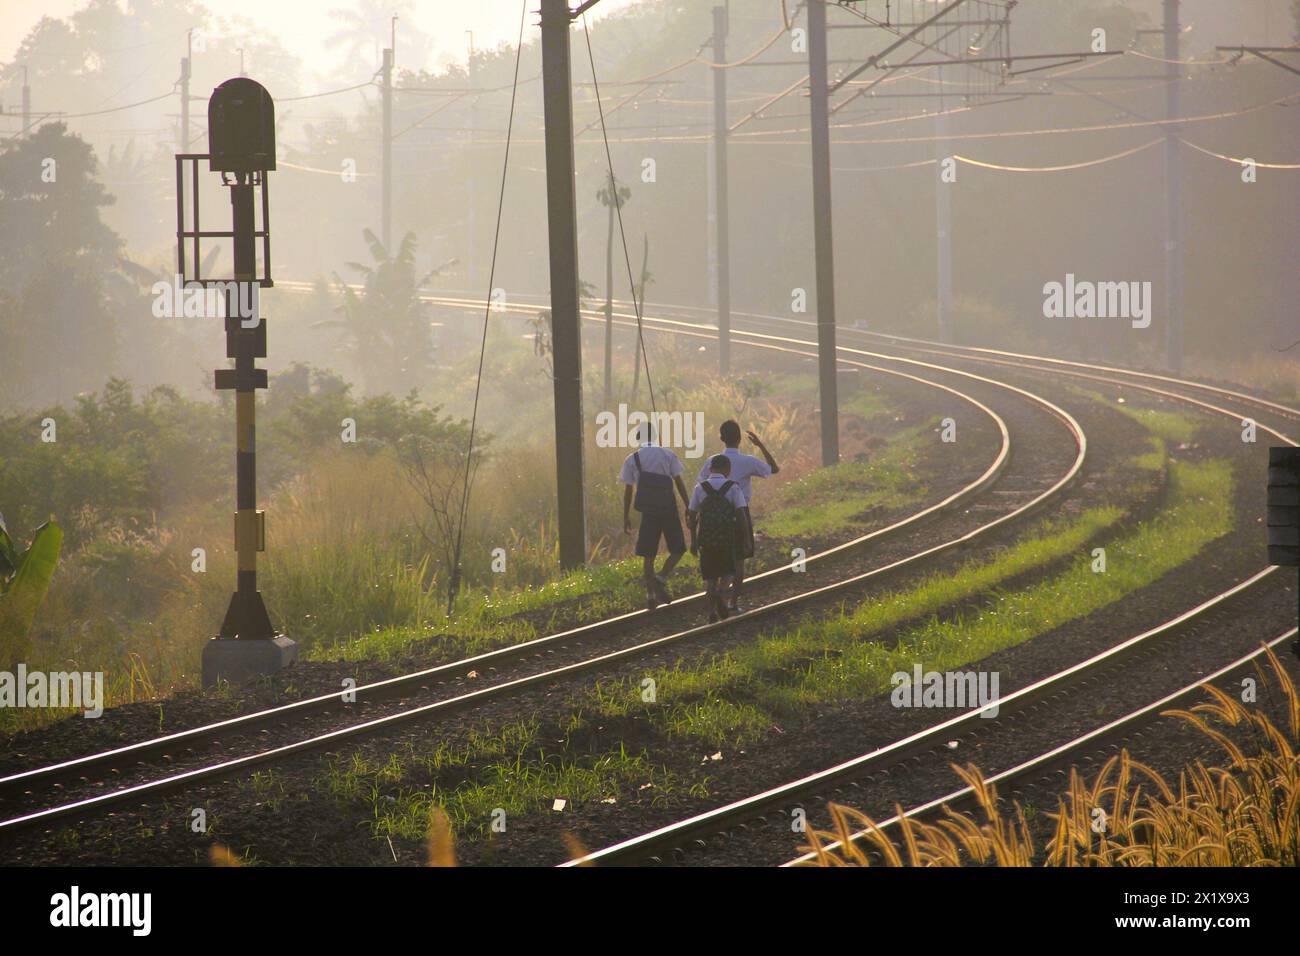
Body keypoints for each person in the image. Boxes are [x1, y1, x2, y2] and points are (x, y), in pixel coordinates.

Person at [696, 420, 779, 613]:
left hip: (713, 516)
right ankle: (732, 602)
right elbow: (773, 469)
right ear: (740, 439)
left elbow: (700, 485)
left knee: (716, 556)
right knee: (739, 559)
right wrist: (760, 445)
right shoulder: (748, 461)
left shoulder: (712, 461)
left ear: (721, 438)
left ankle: (714, 604)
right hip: (739, 513)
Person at [620, 421, 691, 610]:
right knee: (678, 548)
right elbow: (679, 482)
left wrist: (626, 515)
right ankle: (662, 576)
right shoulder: (668, 454)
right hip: (668, 508)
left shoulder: (632, 459)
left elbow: (628, 491)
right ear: (655, 436)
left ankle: (650, 595)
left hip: (648, 512)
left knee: (648, 554)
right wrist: (688, 505)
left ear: (638, 438)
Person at [687, 454, 748, 622]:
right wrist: (746, 539)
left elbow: (692, 515)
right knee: (728, 572)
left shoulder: (700, 488)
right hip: (727, 538)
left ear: (710, 469)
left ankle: (711, 613)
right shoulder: (733, 487)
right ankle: (722, 594)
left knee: (711, 578)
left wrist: (693, 540)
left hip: (706, 539)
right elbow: (741, 514)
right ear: (727, 470)